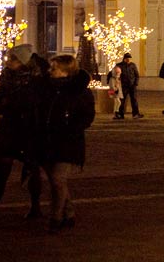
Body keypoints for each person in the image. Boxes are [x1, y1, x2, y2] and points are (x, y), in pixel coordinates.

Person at [0, 45, 43, 225]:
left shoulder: (36, 81)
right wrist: (5, 104)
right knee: (1, 173)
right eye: (9, 58)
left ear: (23, 62)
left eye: (13, 59)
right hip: (8, 131)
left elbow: (39, 105)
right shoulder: (6, 80)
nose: (9, 62)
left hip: (29, 131)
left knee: (33, 171)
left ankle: (35, 207)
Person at [35, 54, 95, 233]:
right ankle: (69, 213)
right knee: (56, 181)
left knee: (58, 179)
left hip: (67, 142)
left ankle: (56, 218)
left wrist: (70, 129)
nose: (50, 71)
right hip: (46, 140)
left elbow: (86, 117)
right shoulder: (46, 88)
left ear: (66, 71)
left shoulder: (79, 91)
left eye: (54, 68)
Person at [116, 52, 141, 119]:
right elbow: (116, 75)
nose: (128, 60)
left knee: (134, 100)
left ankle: (135, 113)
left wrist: (136, 83)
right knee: (122, 100)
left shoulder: (132, 65)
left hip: (132, 85)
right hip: (123, 86)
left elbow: (137, 75)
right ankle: (120, 114)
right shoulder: (119, 66)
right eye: (127, 58)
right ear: (124, 59)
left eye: (129, 58)